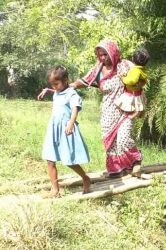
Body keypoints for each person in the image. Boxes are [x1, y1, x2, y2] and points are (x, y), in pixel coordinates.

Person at [38, 40, 142, 178]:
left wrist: (139, 106)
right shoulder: (98, 68)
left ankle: (135, 161)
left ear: (113, 52)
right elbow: (85, 81)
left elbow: (140, 80)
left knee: (123, 139)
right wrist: (61, 87)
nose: (103, 58)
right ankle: (117, 169)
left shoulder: (126, 66)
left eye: (105, 54)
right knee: (110, 142)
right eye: (100, 55)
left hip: (125, 109)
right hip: (108, 111)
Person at [38, 65, 91, 197]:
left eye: (56, 83)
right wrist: (47, 90)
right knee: (50, 160)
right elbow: (58, 92)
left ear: (66, 80)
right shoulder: (57, 91)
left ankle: (85, 177)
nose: (55, 87)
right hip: (53, 128)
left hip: (66, 128)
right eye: (52, 84)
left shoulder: (72, 93)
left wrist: (71, 124)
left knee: (68, 161)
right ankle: (55, 189)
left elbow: (74, 108)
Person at [115, 48, 149, 119]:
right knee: (125, 103)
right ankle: (133, 113)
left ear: (133, 59)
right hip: (135, 91)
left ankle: (135, 113)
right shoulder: (141, 68)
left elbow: (131, 80)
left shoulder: (136, 70)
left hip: (133, 92)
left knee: (137, 106)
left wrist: (123, 79)